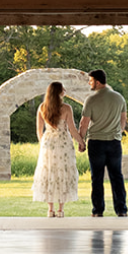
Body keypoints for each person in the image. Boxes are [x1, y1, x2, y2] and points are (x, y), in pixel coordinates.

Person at [77, 69, 128, 218]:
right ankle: (121, 209)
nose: (89, 83)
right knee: (117, 176)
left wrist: (81, 140)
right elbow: (123, 119)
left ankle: (98, 210)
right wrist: (118, 132)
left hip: (96, 143)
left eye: (91, 81)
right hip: (114, 142)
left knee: (97, 177)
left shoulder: (91, 100)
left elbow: (84, 123)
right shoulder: (119, 98)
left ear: (98, 82)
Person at [31, 80, 80, 219]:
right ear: (59, 92)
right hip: (63, 143)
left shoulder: (42, 107)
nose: (65, 90)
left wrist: (44, 143)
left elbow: (39, 130)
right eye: (63, 89)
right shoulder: (66, 108)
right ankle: (60, 210)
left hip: (48, 142)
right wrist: (81, 142)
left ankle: (50, 209)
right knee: (63, 172)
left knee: (49, 172)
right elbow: (72, 129)